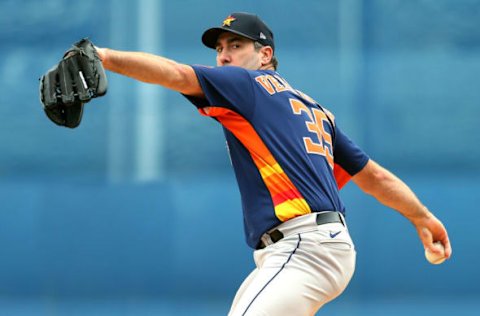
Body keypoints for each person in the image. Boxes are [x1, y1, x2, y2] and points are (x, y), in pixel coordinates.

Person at [94, 12, 452, 316]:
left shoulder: (247, 85)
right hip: (316, 247)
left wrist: (104, 56)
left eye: (236, 45)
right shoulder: (315, 109)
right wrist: (421, 216)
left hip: (304, 248)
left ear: (265, 55)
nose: (224, 56)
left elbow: (175, 74)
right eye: (220, 48)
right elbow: (373, 177)